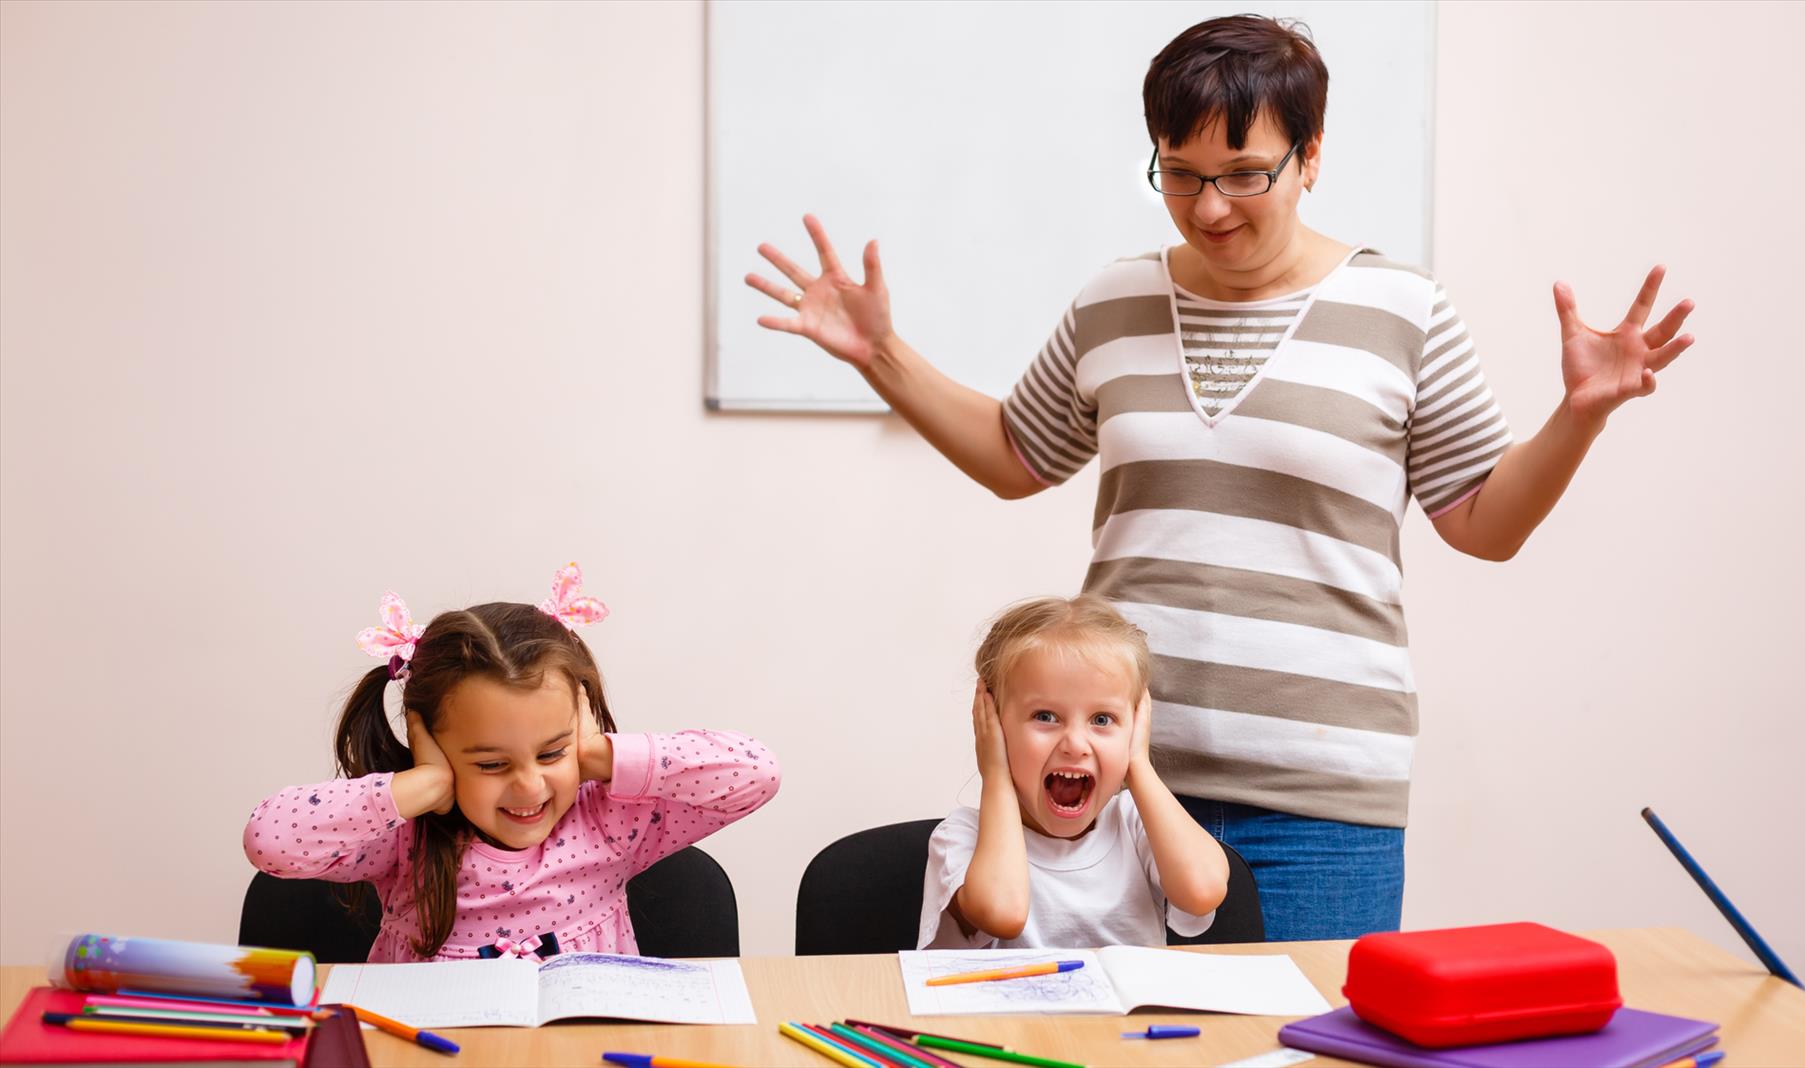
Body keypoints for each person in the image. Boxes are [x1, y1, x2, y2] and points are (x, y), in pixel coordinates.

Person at [750, 15, 1694, 940]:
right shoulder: (1115, 299)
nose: (1209, 207)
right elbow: (1014, 454)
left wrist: (1580, 415)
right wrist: (880, 355)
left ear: (1311, 155)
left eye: (1246, 175)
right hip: (1120, 779)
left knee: (1303, 1046)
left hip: (1320, 802)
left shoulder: (1402, 310)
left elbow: (1484, 522)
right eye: (1181, 173)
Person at [244, 563, 780, 961]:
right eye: (492, 765)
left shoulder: (611, 819)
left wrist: (598, 755)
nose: (529, 787)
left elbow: (756, 774)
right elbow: (269, 841)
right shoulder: (405, 838)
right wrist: (424, 785)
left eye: (551, 752)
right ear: (433, 744)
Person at [918, 595, 1229, 949]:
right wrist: (997, 777)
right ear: (993, 726)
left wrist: (1138, 764)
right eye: (1045, 716)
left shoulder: (1132, 822)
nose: (1075, 744)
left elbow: (1203, 890)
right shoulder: (961, 838)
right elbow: (1003, 912)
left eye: (1102, 719)